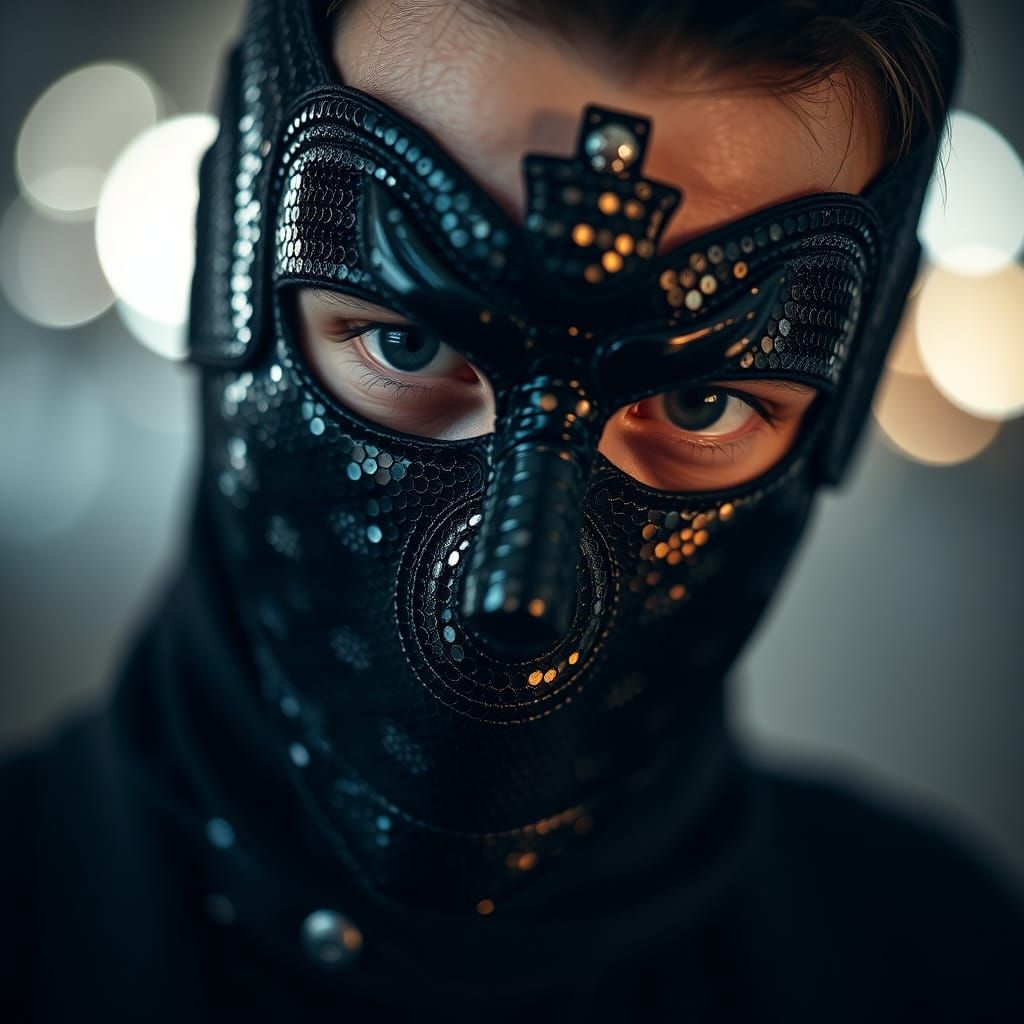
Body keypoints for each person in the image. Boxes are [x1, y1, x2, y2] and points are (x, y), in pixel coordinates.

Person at [3, 0, 1022, 1019]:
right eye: (406, 342)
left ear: (839, 397)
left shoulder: (947, 967)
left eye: (696, 400)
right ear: (233, 254)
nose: (514, 598)